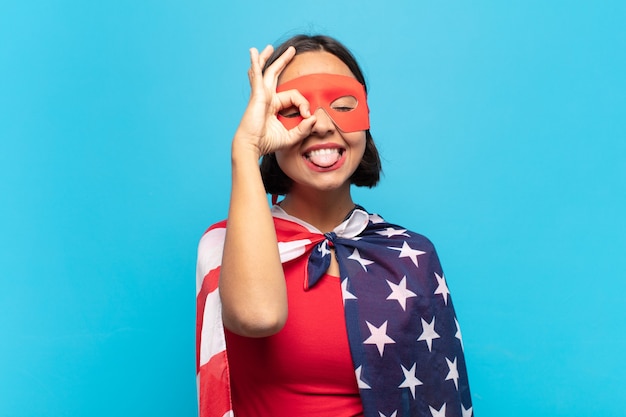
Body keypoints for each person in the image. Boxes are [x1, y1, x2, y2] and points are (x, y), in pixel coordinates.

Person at [196, 34, 472, 417]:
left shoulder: (412, 256)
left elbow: (435, 397)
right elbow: (257, 316)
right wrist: (245, 150)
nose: (322, 125)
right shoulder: (225, 243)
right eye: (294, 109)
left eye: (343, 106)